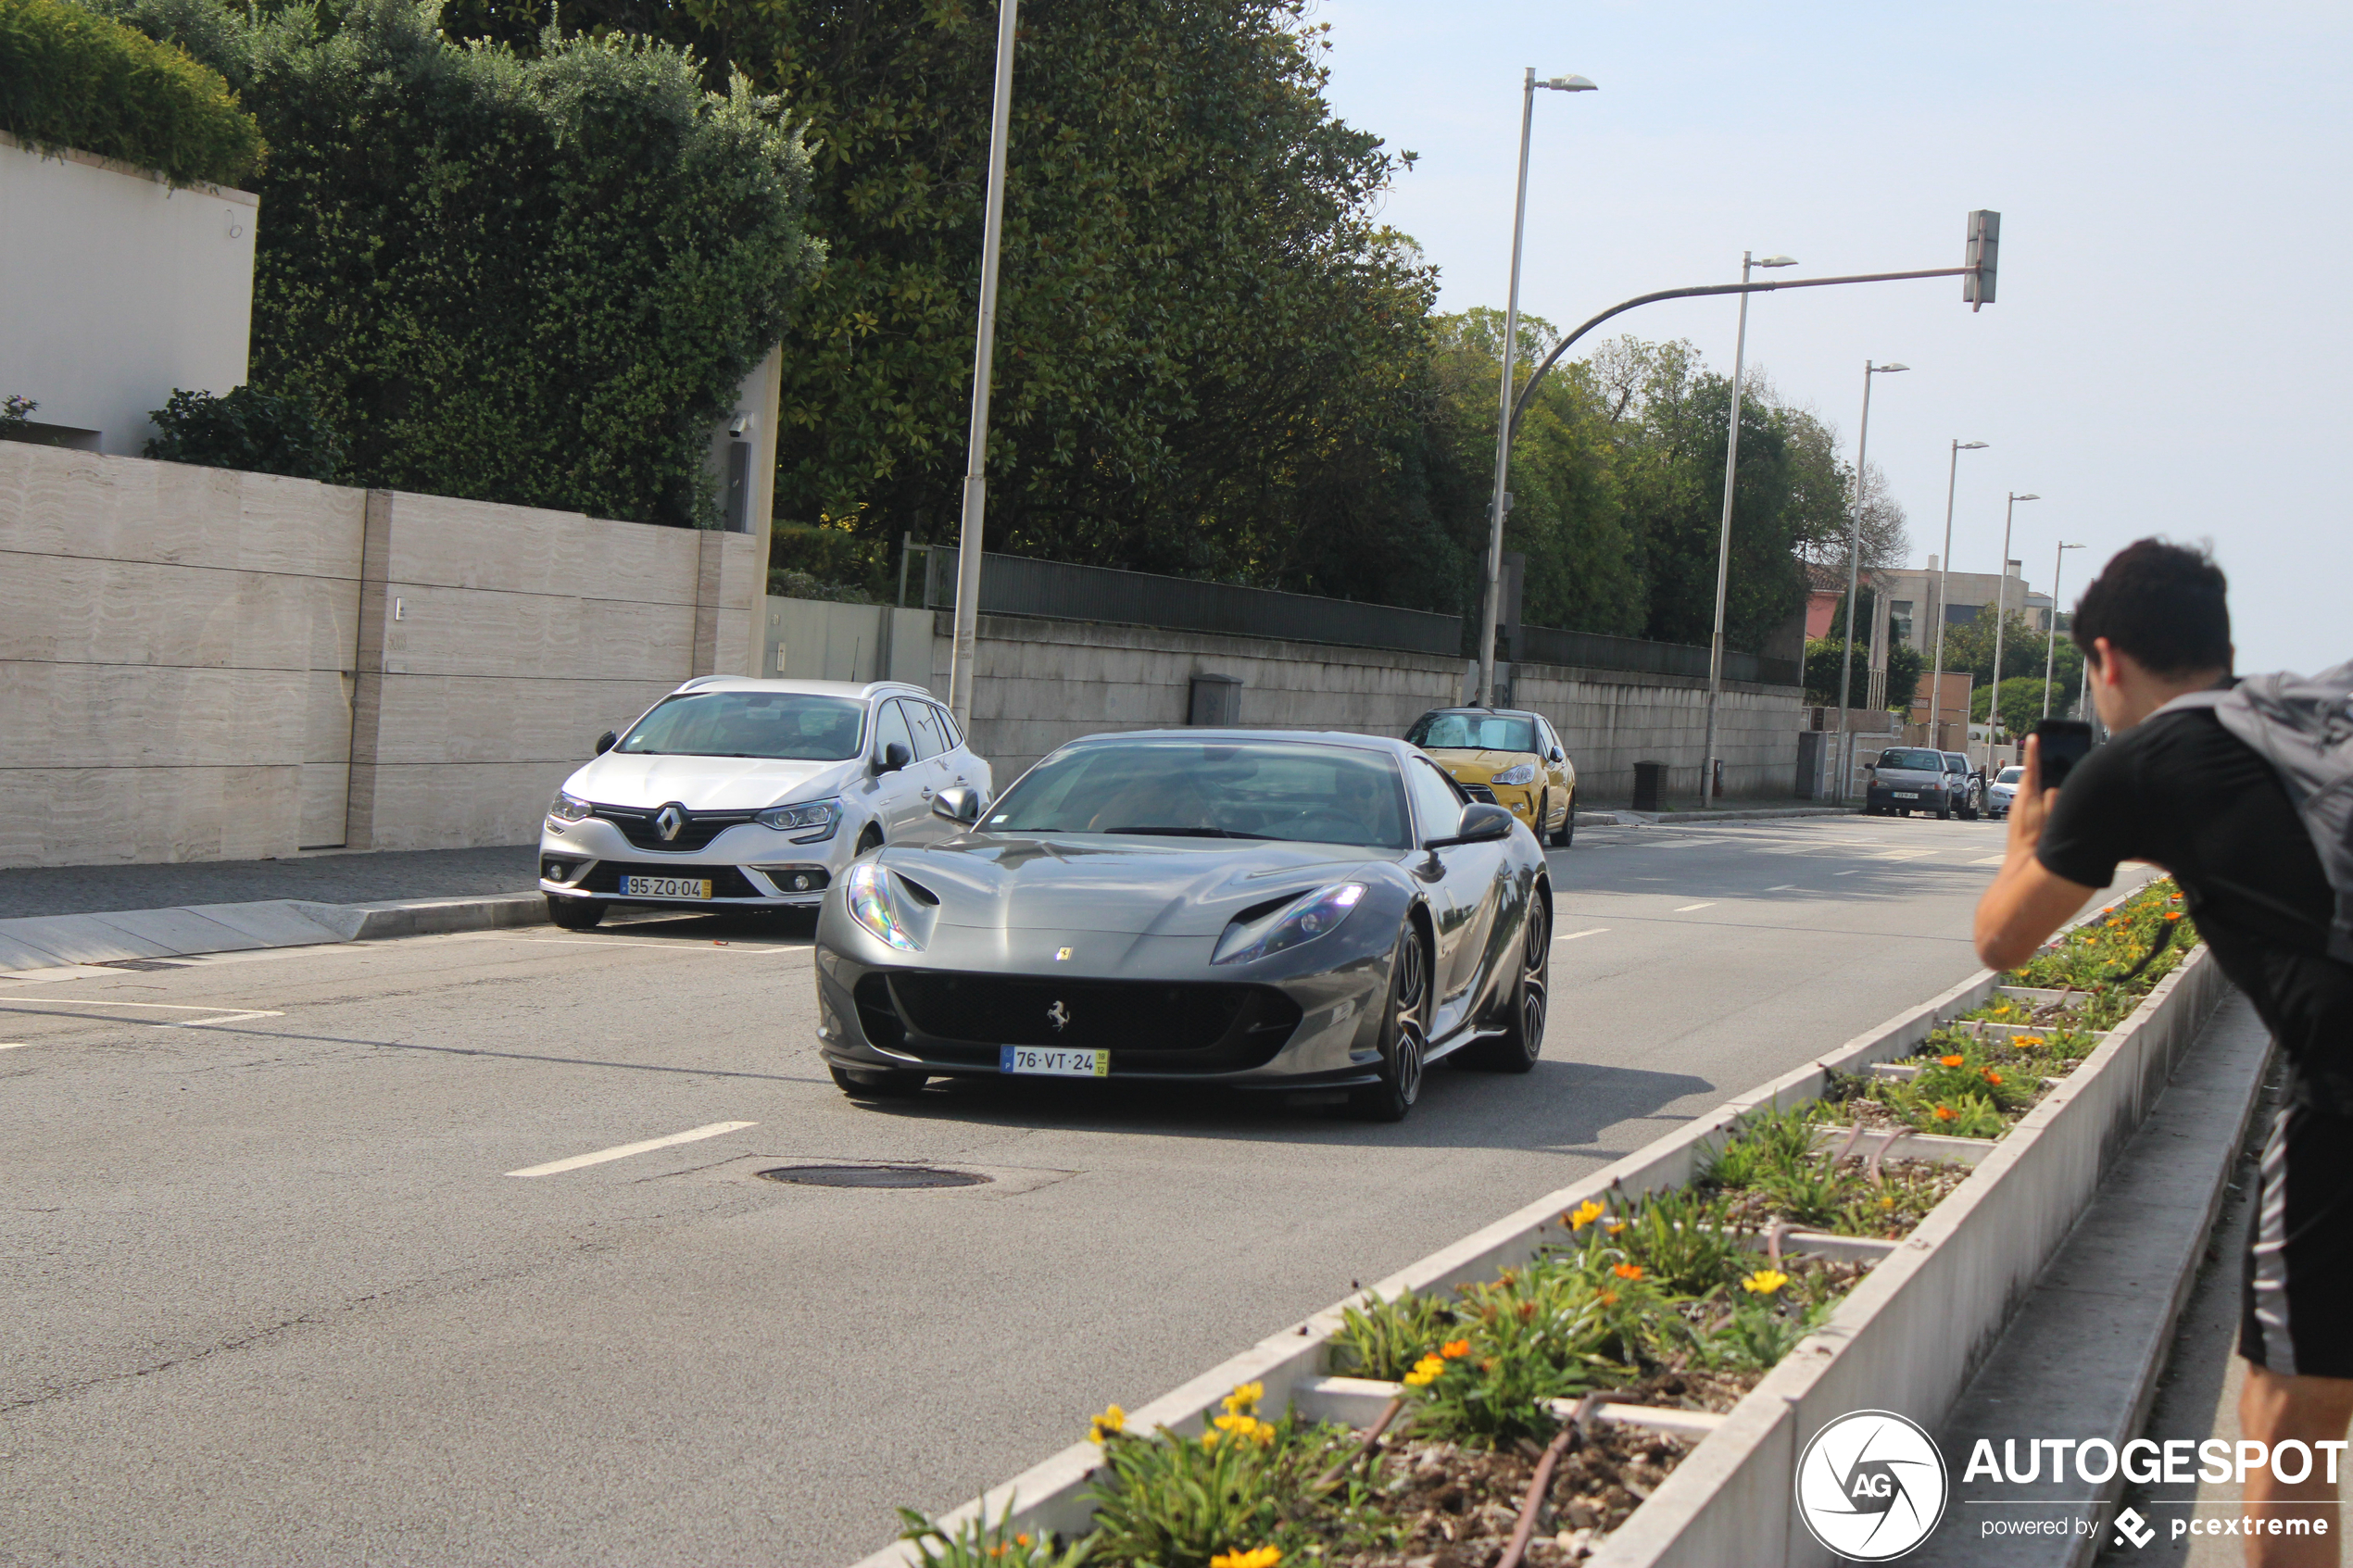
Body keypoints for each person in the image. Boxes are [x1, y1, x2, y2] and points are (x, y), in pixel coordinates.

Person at [1973, 539, 2352, 1568]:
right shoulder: (2299, 718)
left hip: (2343, 1108)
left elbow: (2002, 937)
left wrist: (2027, 830)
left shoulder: (2136, 765)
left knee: (2291, 1417)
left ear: (2105, 658)